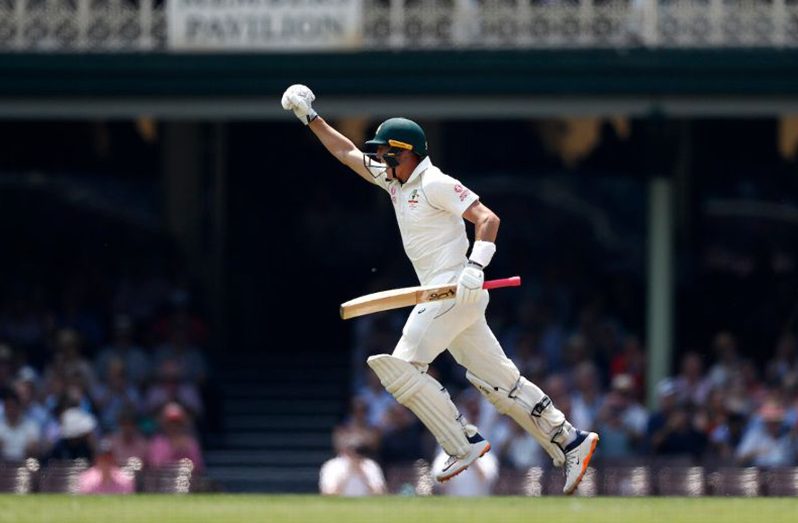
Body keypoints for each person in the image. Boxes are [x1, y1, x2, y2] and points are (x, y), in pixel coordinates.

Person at [281, 84, 599, 494]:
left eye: (385, 153)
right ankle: (570, 439)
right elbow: (346, 153)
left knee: (399, 368)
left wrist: (474, 266)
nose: (378, 159)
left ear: (404, 152)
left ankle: (461, 442)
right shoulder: (396, 181)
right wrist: (310, 117)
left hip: (453, 291)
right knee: (501, 384)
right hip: (446, 296)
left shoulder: (434, 181)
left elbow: (488, 219)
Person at [319, 431, 387, 496]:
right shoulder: (332, 466)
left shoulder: (371, 465)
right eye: (353, 450)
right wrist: (347, 473)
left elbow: (381, 494)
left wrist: (363, 477)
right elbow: (327, 494)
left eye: (360, 450)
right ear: (345, 450)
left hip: (366, 505)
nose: (357, 455)